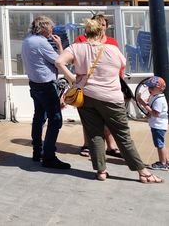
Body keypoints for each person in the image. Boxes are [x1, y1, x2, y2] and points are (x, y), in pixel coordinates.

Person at [55, 18, 162, 183]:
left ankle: (101, 171)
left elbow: (59, 62)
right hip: (111, 97)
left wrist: (73, 80)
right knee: (122, 135)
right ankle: (142, 171)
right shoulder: (112, 49)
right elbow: (122, 64)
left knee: (94, 134)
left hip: (86, 96)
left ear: (86, 32)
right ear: (101, 32)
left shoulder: (76, 47)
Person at [20, 16, 68, 168]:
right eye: (50, 28)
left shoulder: (28, 40)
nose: (52, 31)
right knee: (55, 119)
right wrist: (60, 45)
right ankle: (48, 156)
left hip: (35, 83)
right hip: (46, 85)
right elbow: (60, 61)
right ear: (44, 28)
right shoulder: (41, 42)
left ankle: (37, 151)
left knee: (39, 117)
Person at [74, 14, 121, 158]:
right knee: (89, 119)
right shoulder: (81, 41)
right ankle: (87, 144)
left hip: (109, 86)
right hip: (89, 87)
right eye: (98, 24)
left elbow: (119, 64)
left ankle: (111, 146)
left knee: (108, 119)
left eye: (103, 25)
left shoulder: (112, 42)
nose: (101, 27)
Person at [137, 76, 168, 171]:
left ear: (160, 88)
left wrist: (143, 104)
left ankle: (162, 163)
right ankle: (165, 161)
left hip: (158, 125)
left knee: (159, 144)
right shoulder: (155, 96)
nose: (149, 89)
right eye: (149, 87)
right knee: (160, 143)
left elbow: (155, 113)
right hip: (157, 124)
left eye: (152, 87)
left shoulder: (159, 100)